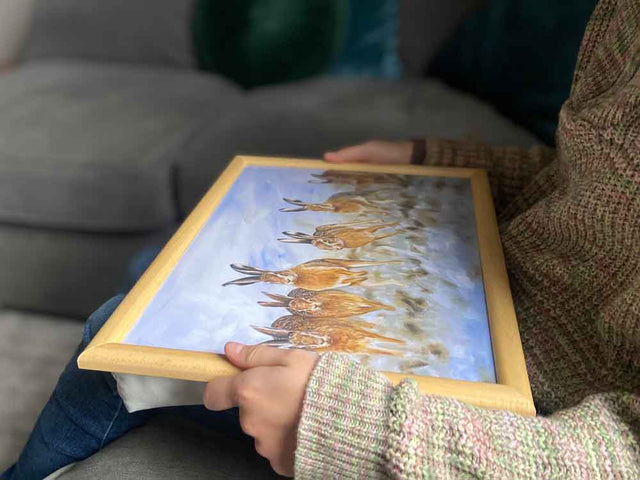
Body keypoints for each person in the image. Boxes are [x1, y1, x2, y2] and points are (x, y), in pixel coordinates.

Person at [4, 0, 639, 478]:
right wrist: (439, 160)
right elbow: (589, 182)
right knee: (143, 303)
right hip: (485, 300)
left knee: (121, 335)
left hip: (517, 415)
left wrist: (355, 430)